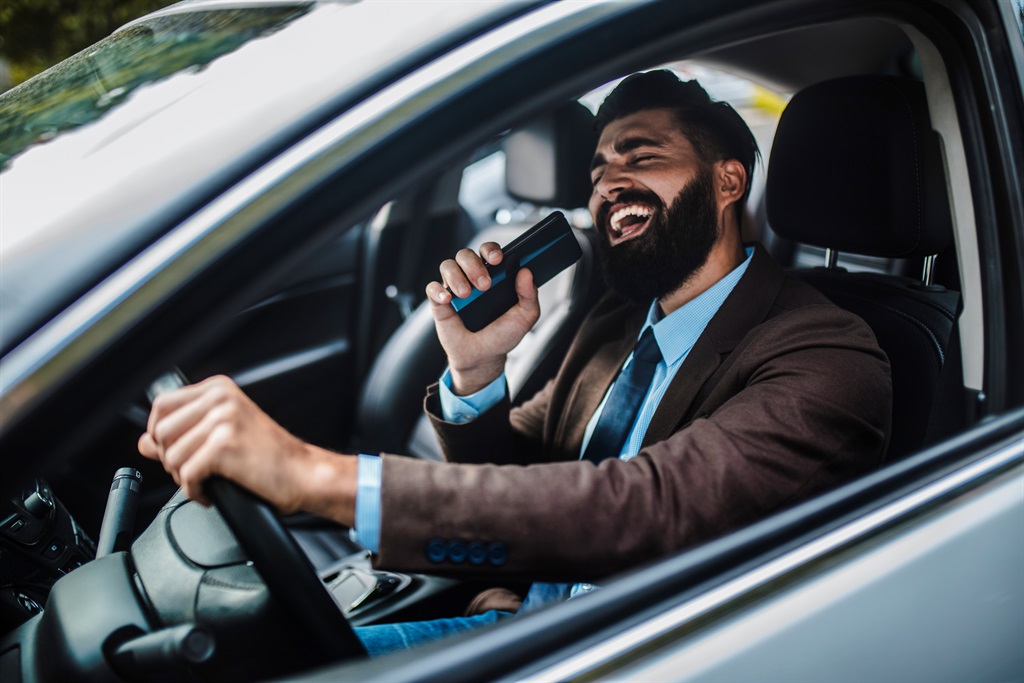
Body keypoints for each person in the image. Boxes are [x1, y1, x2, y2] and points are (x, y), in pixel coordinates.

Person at [139, 71, 892, 656]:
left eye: (644, 157)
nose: (608, 185)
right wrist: (478, 372)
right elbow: (526, 471)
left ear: (729, 181)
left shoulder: (828, 353)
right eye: (598, 169)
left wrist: (317, 475)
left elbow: (654, 505)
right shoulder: (616, 318)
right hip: (520, 623)